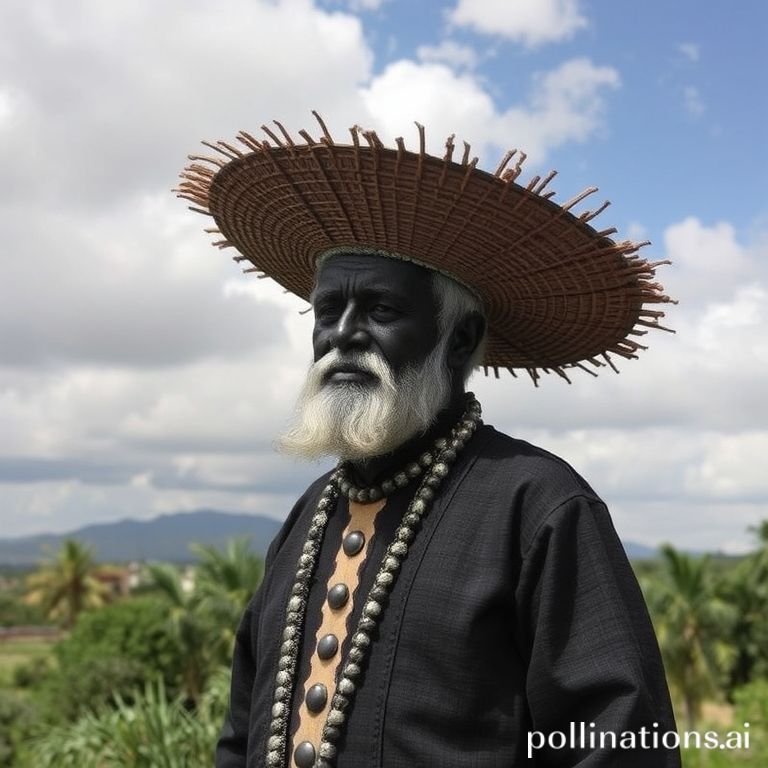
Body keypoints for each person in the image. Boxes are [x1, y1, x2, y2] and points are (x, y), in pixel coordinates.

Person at [177, 113, 681, 767]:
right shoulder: (307, 517)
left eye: (382, 310)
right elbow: (241, 734)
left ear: (461, 339)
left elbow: (620, 745)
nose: (345, 335)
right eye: (329, 311)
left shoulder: (539, 505)